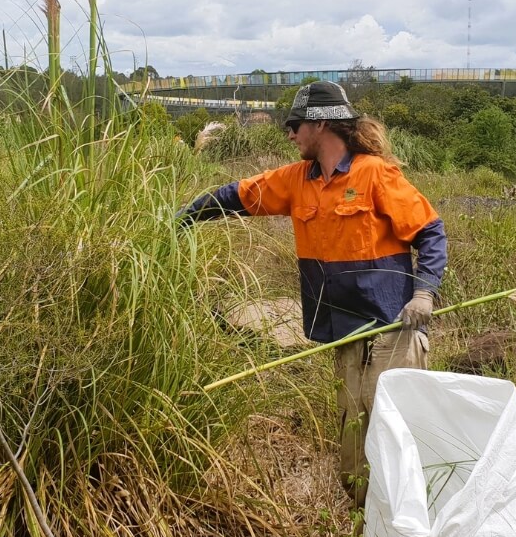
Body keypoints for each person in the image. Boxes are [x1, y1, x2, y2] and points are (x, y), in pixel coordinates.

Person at [176, 81, 447, 509]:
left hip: (392, 333)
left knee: (397, 442)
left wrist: (424, 293)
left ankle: (412, 533)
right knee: (355, 457)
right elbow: (237, 196)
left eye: (295, 124)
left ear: (321, 124)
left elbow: (430, 230)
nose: (290, 134)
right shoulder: (296, 181)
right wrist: (179, 221)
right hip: (345, 338)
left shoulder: (374, 174)